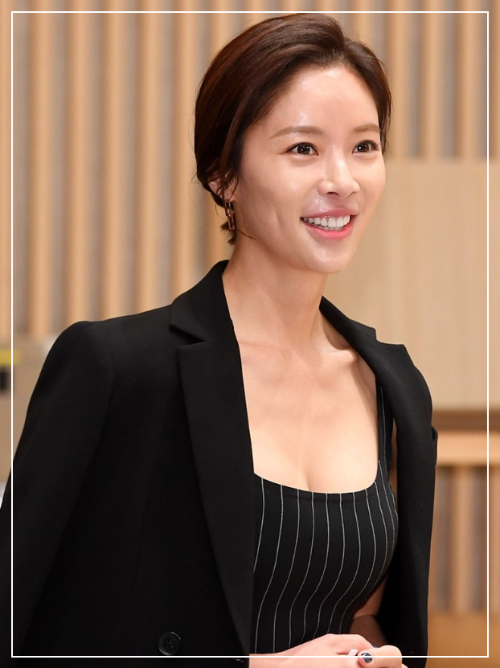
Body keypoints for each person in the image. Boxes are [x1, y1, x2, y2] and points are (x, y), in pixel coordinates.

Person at [0, 13, 437, 668]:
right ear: (223, 177)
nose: (342, 180)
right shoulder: (119, 370)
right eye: (303, 149)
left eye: (365, 146)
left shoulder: (394, 386)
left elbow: (366, 616)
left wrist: (371, 657)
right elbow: (24, 632)